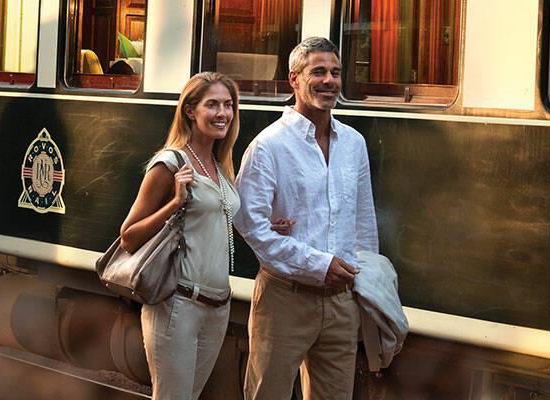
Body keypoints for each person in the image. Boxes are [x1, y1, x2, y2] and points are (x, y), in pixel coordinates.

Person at [233, 37, 379, 400]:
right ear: (294, 79)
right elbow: (249, 223)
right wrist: (318, 264)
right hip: (285, 298)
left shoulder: (354, 143)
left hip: (342, 303)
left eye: (335, 72)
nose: (329, 80)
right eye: (318, 71)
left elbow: (364, 222)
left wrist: (366, 284)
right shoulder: (269, 146)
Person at [115, 71, 241, 399]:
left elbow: (214, 220)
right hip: (179, 304)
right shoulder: (170, 162)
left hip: (218, 306)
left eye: (228, 105)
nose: (222, 113)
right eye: (212, 104)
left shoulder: (219, 164)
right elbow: (128, 236)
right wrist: (174, 203)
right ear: (190, 110)